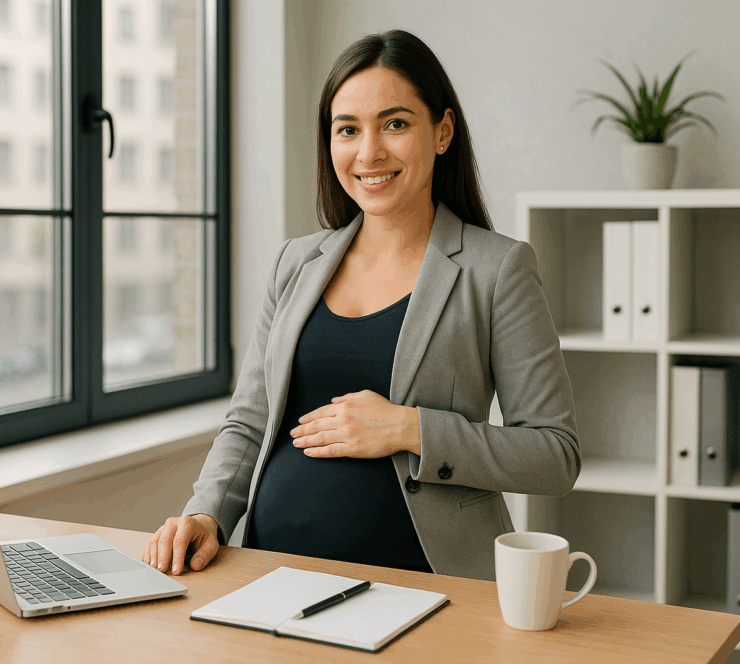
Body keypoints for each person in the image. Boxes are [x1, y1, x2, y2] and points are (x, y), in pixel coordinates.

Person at [142, 29, 580, 582]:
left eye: (395, 124)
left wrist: (408, 428)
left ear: (442, 131)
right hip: (271, 573)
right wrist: (207, 512)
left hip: (424, 584)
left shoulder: (497, 270)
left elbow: (554, 454)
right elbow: (251, 421)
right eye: (347, 129)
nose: (368, 152)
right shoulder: (295, 264)